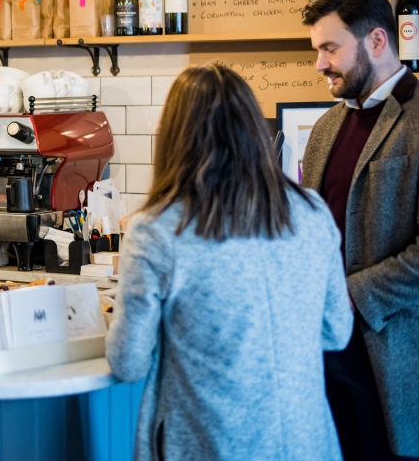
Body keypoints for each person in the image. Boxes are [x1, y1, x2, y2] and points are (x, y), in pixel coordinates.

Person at [106, 63, 353, 461]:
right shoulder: (311, 213)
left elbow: (128, 362)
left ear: (173, 138)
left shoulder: (156, 231)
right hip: (308, 442)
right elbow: (336, 332)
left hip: (212, 444)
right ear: (254, 130)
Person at [301, 0, 419, 460]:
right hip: (321, 356)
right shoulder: (326, 126)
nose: (319, 63)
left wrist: (349, 296)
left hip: (393, 361)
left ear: (377, 39)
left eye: (330, 48)